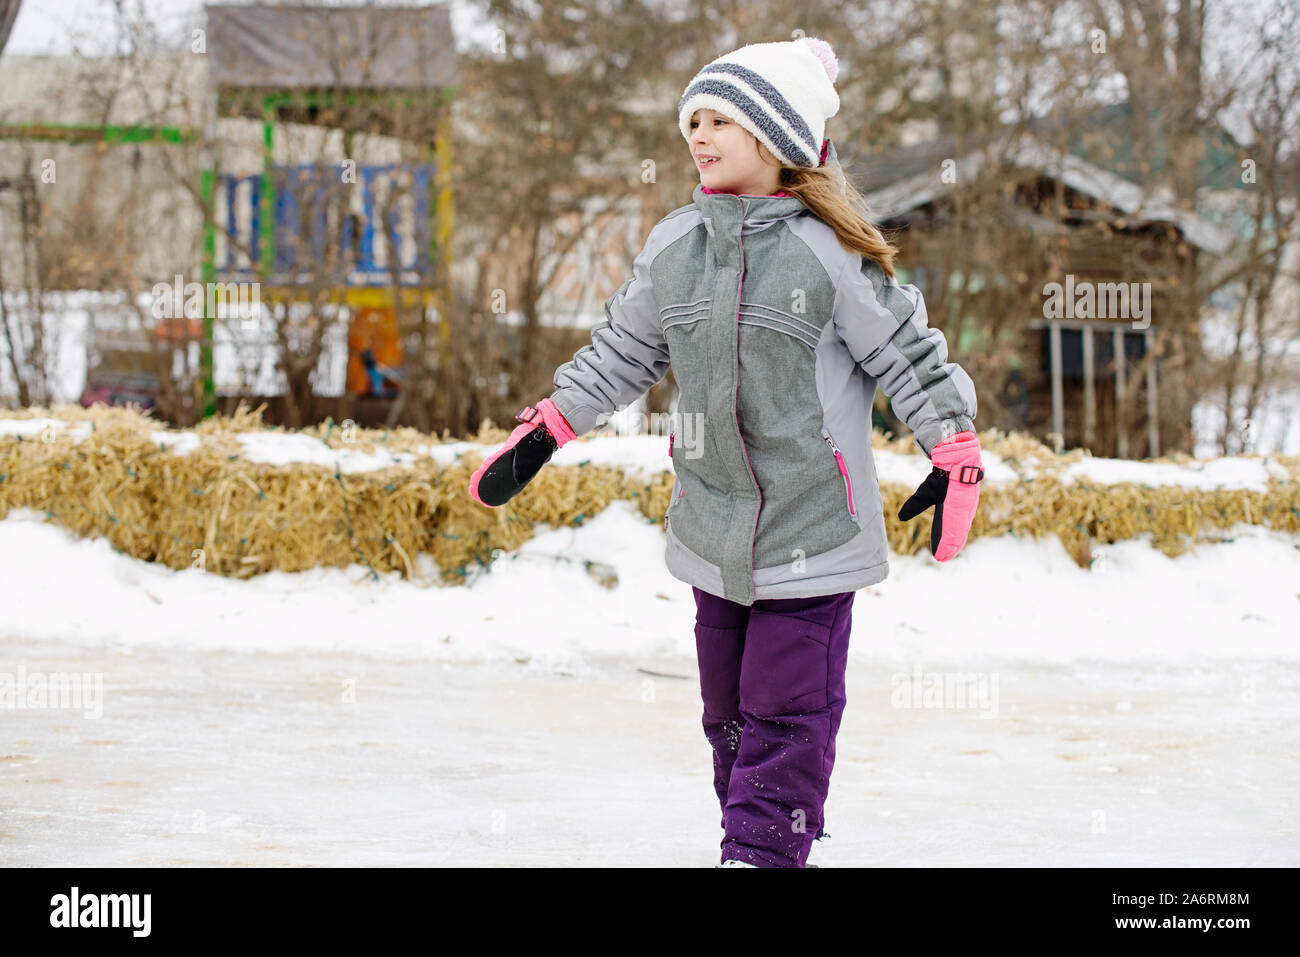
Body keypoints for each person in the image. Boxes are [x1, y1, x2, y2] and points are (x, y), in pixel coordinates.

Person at [469, 36, 984, 868]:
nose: (700, 136)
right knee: (728, 718)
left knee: (787, 714)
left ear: (776, 136)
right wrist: (549, 427)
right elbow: (620, 352)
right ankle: (746, 843)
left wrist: (953, 443)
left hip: (813, 530)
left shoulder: (830, 252)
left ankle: (760, 854)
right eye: (693, 121)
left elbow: (906, 352)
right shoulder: (677, 246)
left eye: (721, 121)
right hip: (713, 532)